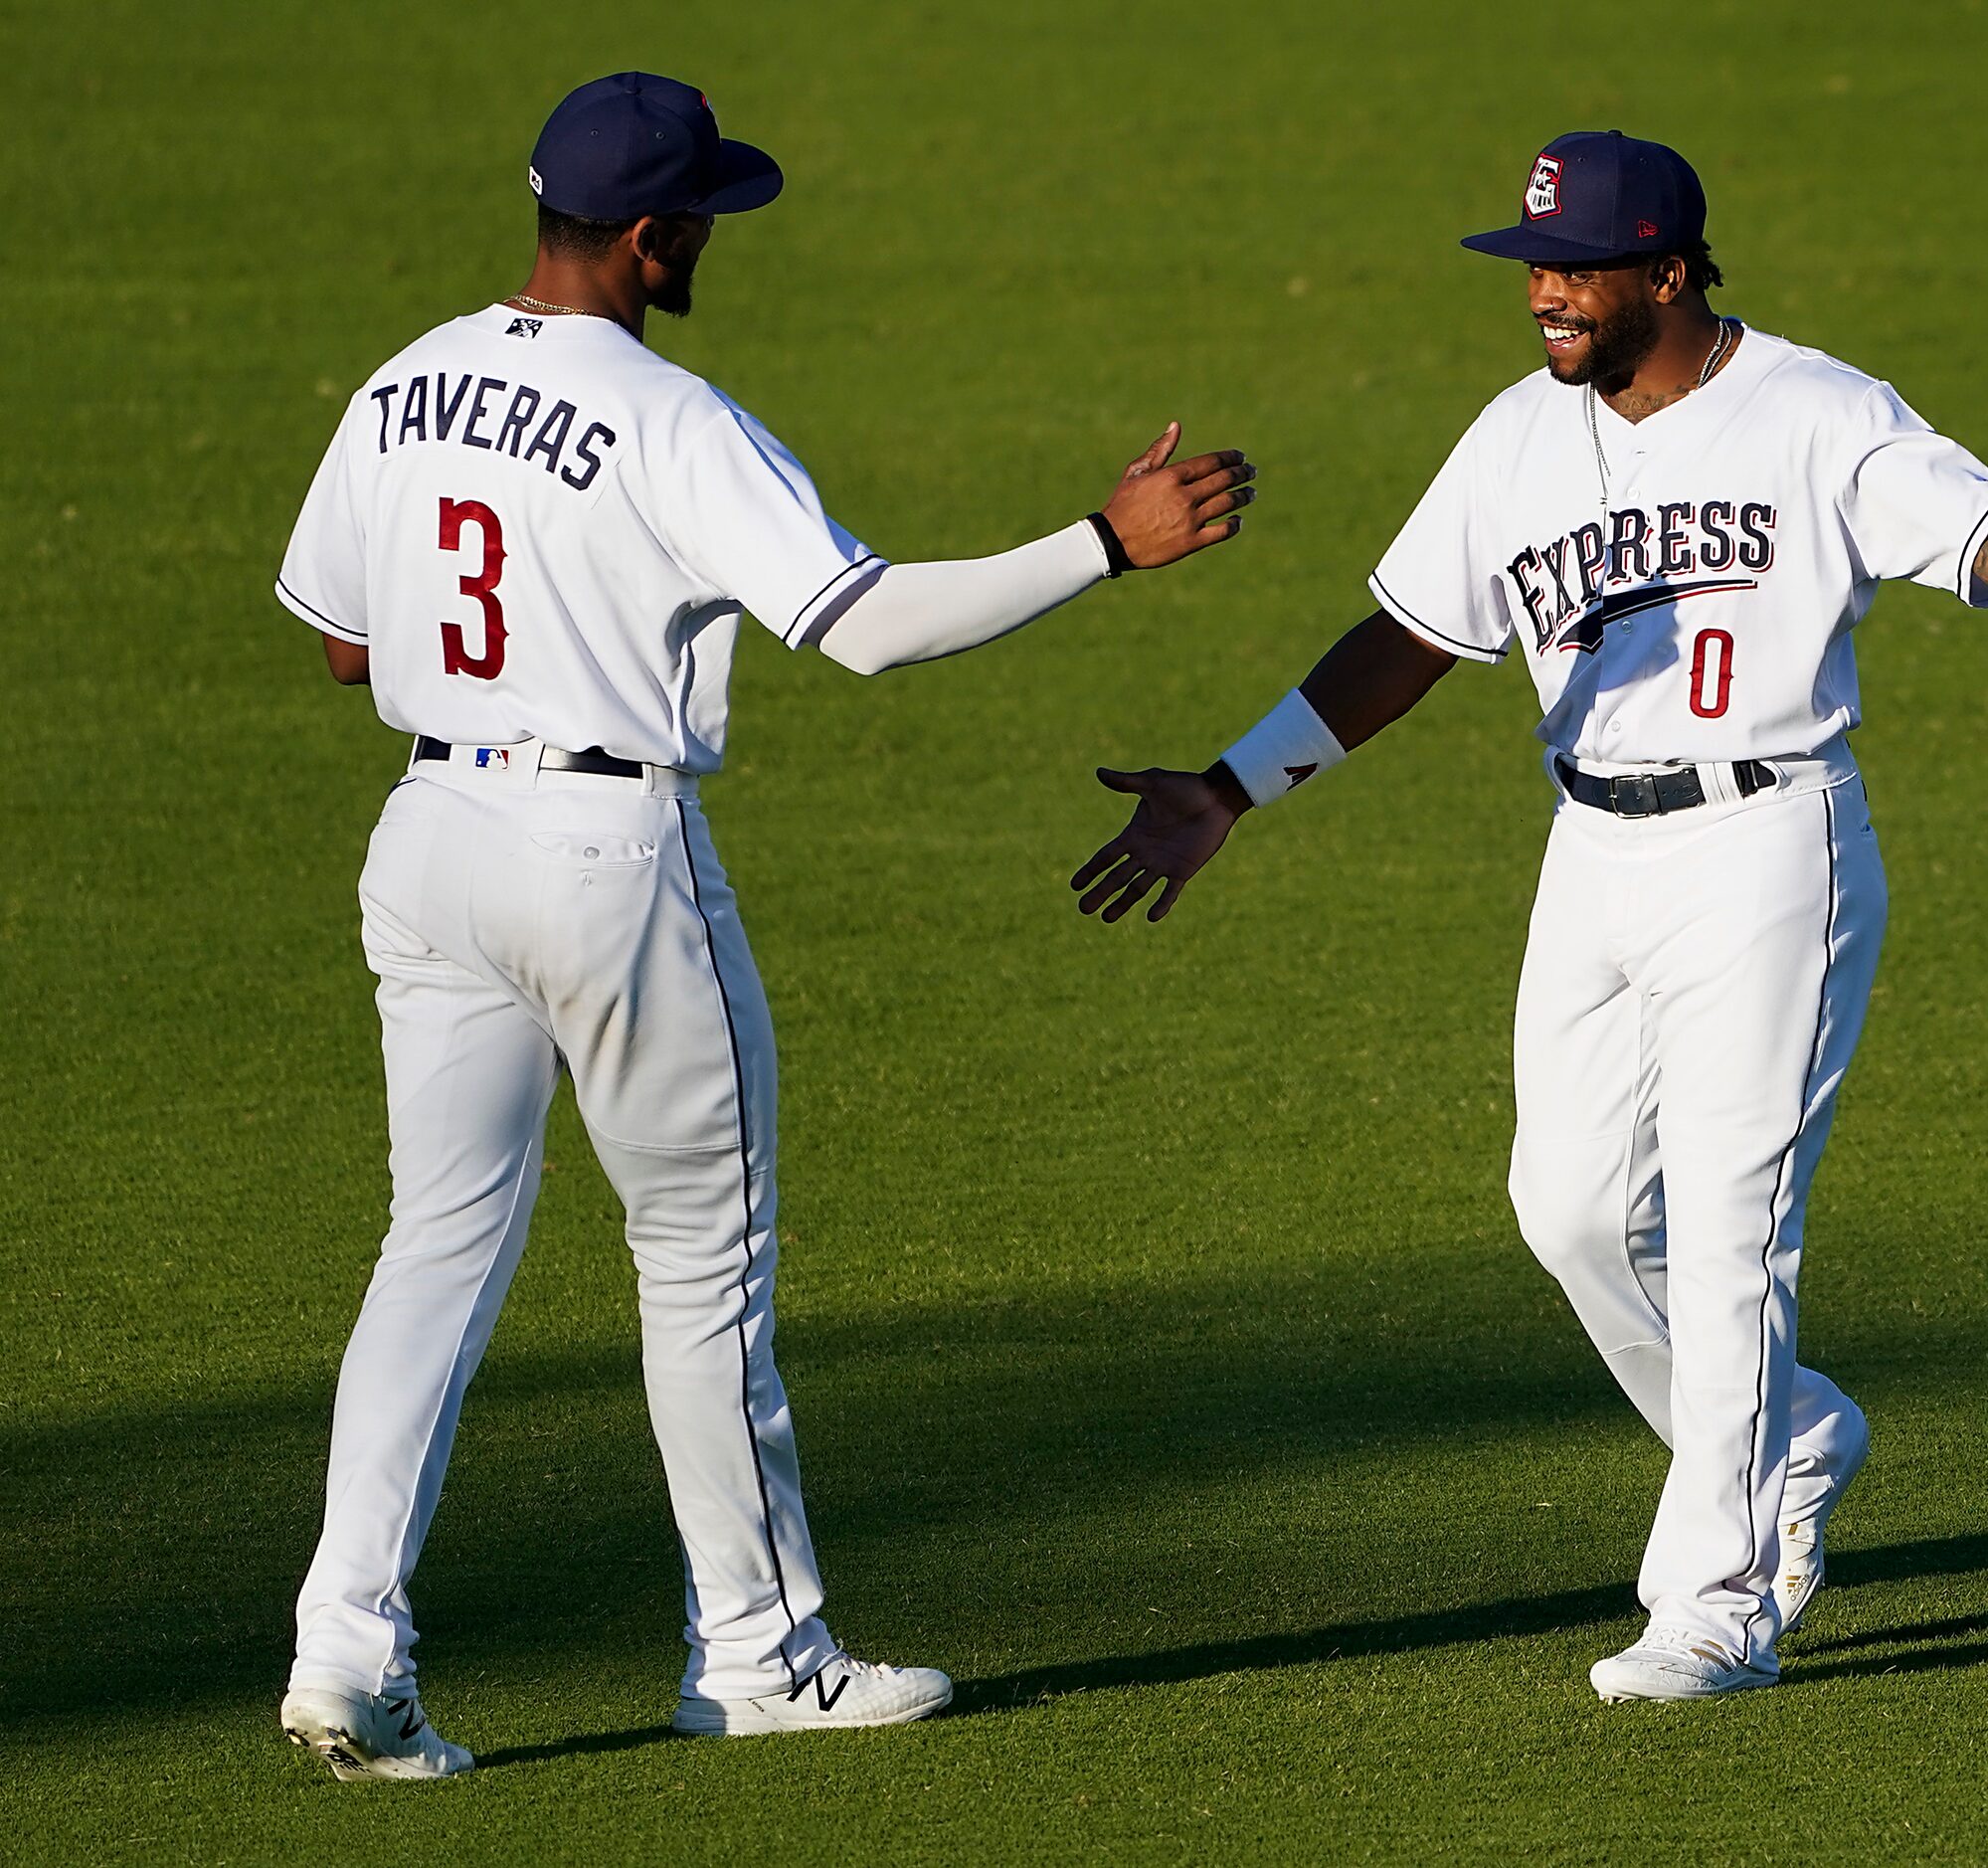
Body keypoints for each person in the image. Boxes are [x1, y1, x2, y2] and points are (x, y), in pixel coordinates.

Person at [1072, 129, 1988, 1702]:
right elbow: (1414, 634)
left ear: (1673, 270)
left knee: (1727, 1228)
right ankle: (1793, 1432)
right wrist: (1231, 786)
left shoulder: (1817, 413)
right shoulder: (1518, 438)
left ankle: (1717, 1599)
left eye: (1578, 268)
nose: (1548, 294)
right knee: (1564, 1211)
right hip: (1592, 851)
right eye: (1537, 266)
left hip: (1769, 844)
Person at [273, 71, 1254, 1778]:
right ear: (649, 237)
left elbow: (348, 646)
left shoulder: (402, 378)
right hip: (602, 853)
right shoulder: (670, 418)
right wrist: (1104, 540)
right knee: (701, 1265)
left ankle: (344, 1647)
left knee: (430, 1252)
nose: (713, 238)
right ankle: (757, 1652)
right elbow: (860, 627)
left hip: (428, 834)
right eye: (703, 217)